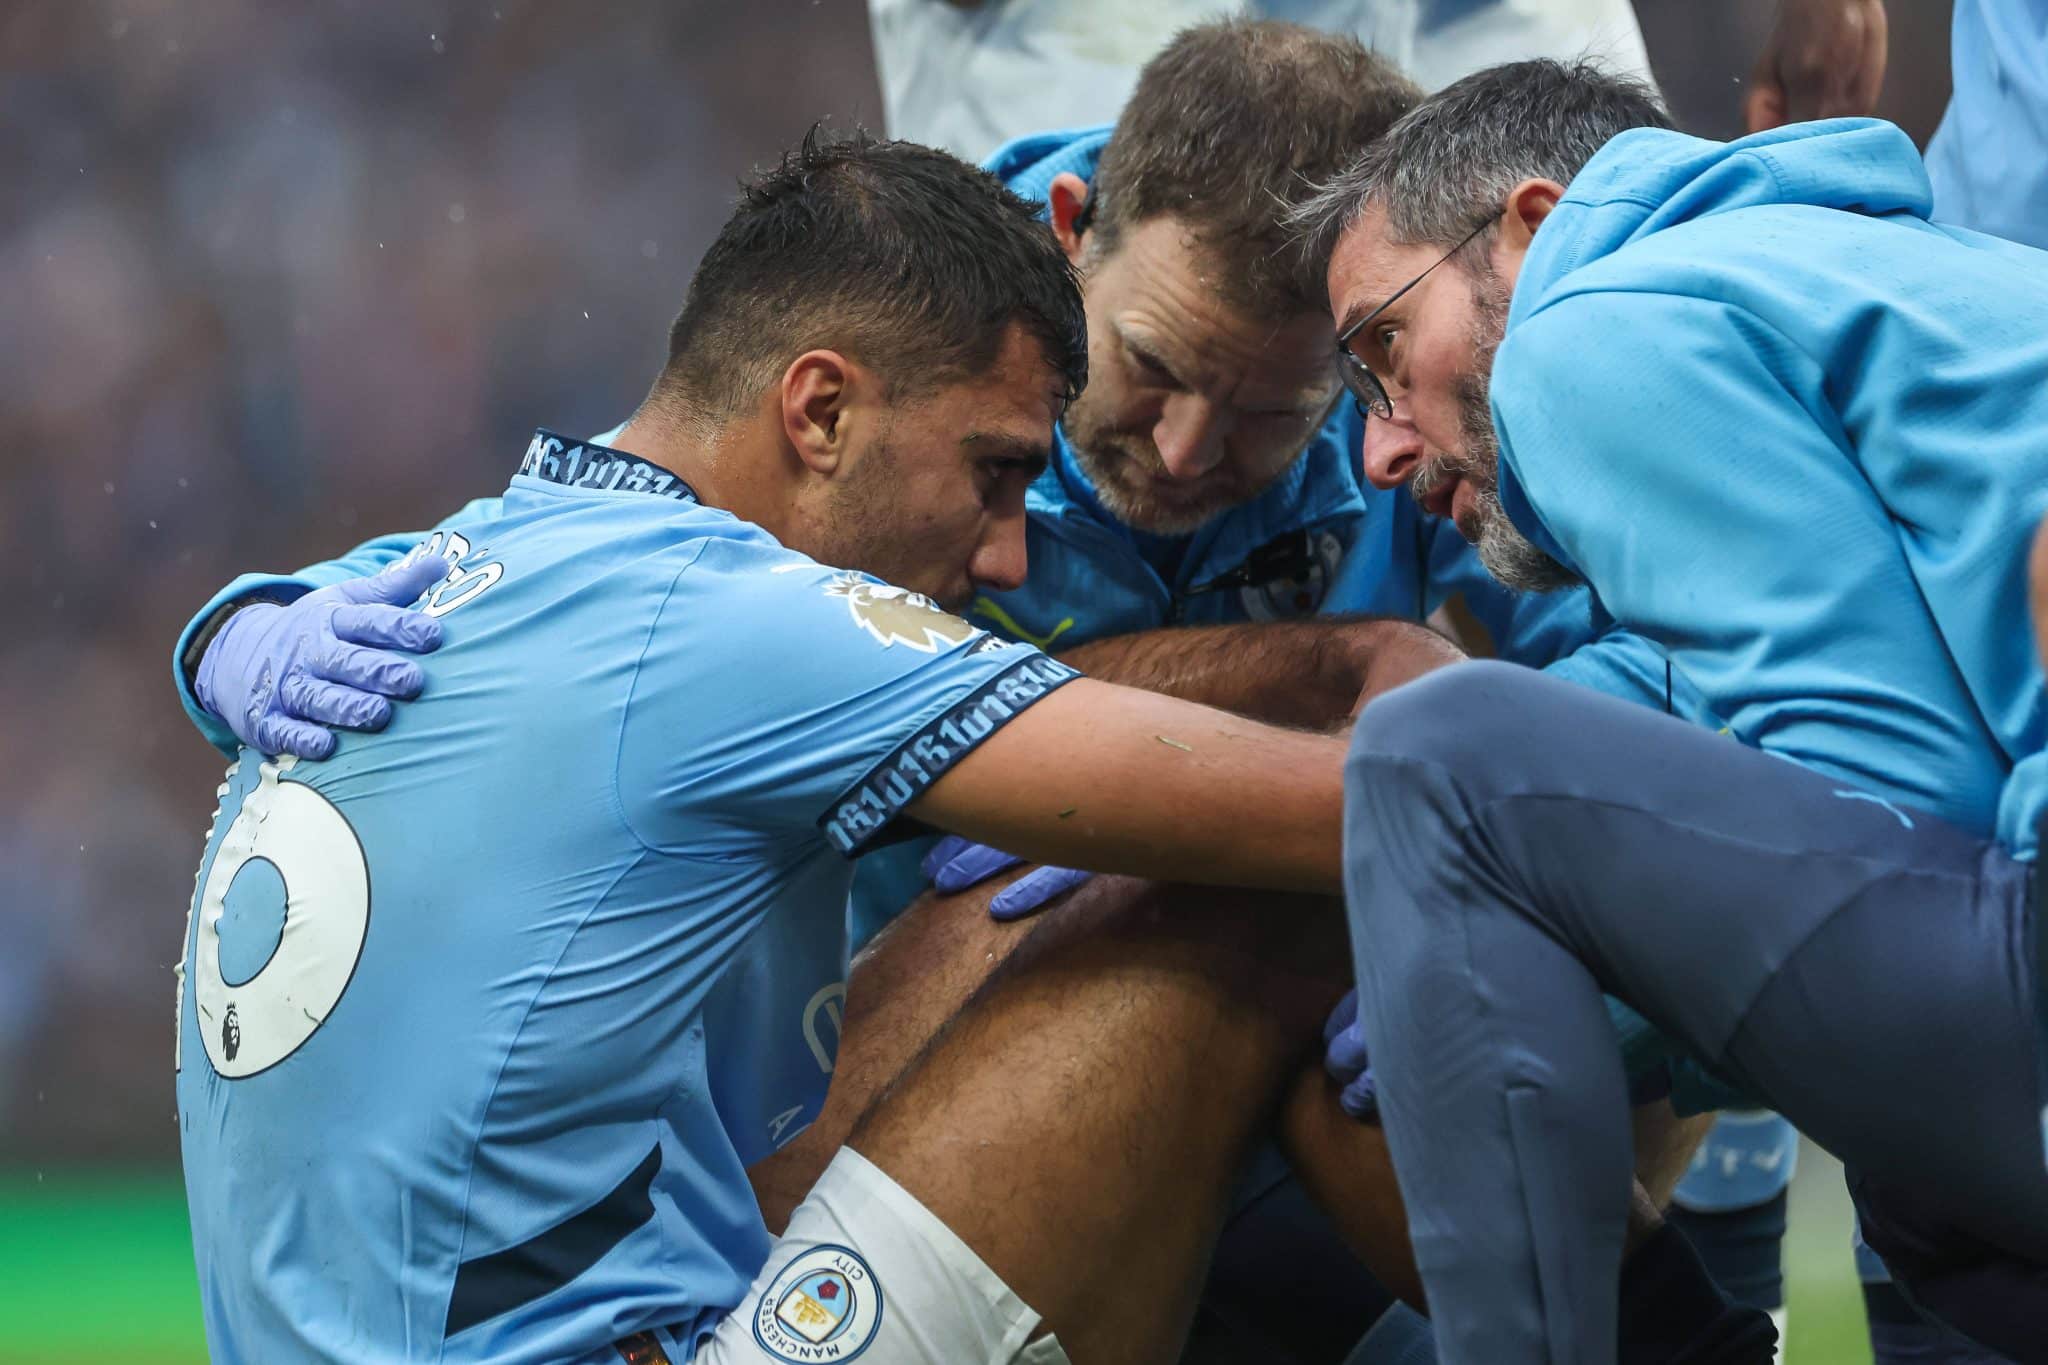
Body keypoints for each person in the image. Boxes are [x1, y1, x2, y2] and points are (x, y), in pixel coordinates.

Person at [177, 127, 1488, 1365]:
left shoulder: (463, 561)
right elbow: (1348, 807)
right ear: (818, 412)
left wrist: (217, 631)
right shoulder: (732, 624)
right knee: (1251, 884)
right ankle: (1649, 1327)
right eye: (991, 470)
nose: (1007, 554)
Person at [1293, 57, 2048, 1363]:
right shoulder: (1870, 276)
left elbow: (1905, 804)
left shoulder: (1595, 324)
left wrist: (1524, 995)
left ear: (1530, 226)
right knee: (1922, 1207)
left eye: (1383, 353)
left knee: (1440, 762)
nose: (1381, 449)